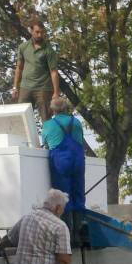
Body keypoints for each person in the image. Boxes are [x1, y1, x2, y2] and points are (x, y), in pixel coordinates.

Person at [41, 96, 86, 241]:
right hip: (78, 161)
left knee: (62, 197)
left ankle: (67, 237)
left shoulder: (48, 125)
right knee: (78, 194)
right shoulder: (77, 122)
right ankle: (79, 235)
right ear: (66, 108)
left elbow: (46, 144)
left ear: (52, 109)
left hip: (61, 162)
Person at [12, 18, 60, 121]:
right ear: (31, 31)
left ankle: (47, 137)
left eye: (42, 32)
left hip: (43, 89)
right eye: (37, 32)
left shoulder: (48, 50)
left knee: (46, 119)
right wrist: (15, 87)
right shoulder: (23, 47)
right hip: (25, 87)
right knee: (21, 118)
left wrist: (56, 93)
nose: (39, 35)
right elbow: (19, 67)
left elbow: (54, 72)